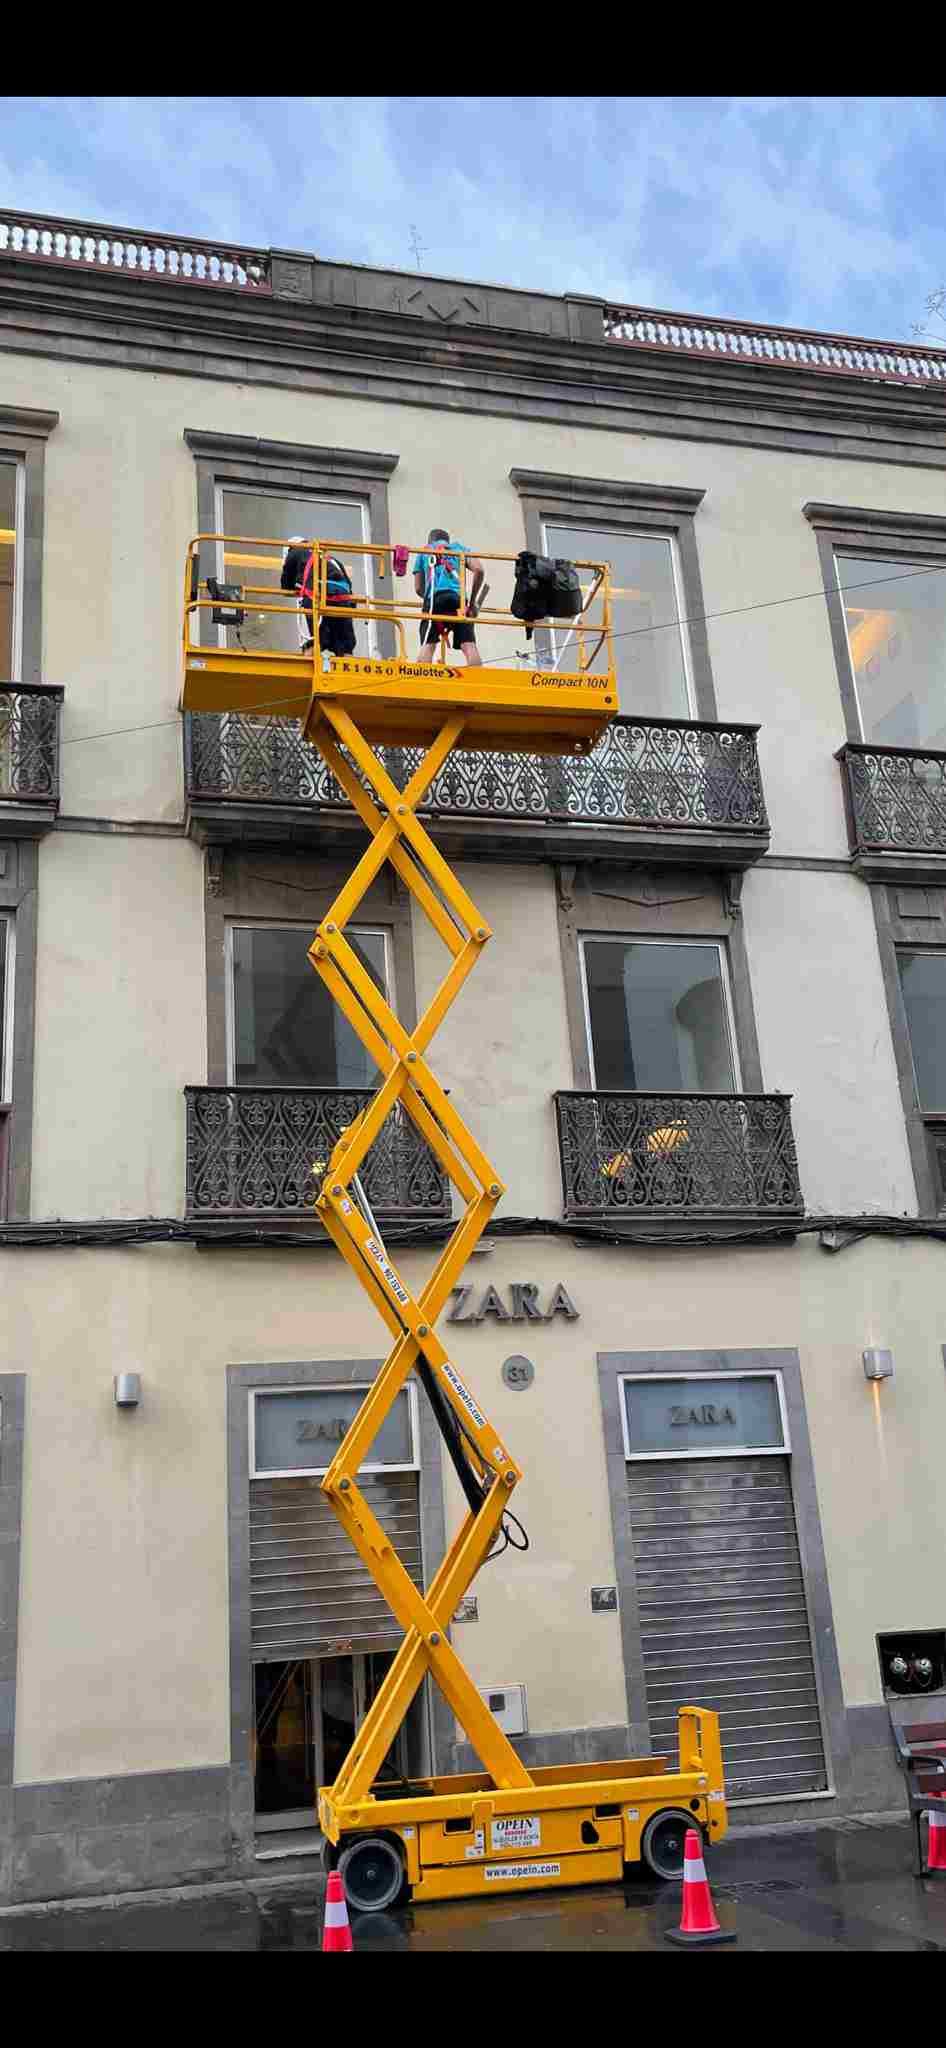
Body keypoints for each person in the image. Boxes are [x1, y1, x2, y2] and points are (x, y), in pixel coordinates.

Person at [413, 528, 484, 667]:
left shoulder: (425, 550)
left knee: (428, 644)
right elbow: (479, 570)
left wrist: (427, 600)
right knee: (468, 644)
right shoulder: (459, 549)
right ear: (447, 541)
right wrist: (473, 601)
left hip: (434, 599)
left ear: (430, 541)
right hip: (459, 601)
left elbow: (418, 588)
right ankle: (478, 679)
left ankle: (423, 679)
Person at [280, 538, 356, 660]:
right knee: (344, 645)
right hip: (342, 598)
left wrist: (297, 584)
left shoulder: (294, 552)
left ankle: (309, 662)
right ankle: (348, 666)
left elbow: (286, 585)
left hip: (317, 597)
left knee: (315, 641)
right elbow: (349, 586)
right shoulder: (329, 558)